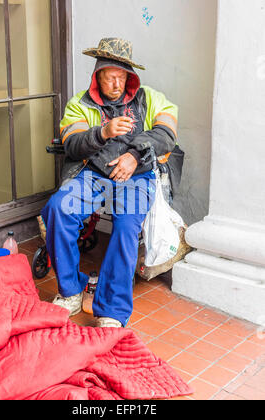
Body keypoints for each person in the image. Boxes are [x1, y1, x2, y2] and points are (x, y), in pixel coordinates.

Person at [41, 38, 184, 328]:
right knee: (59, 208)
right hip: (93, 174)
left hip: (136, 175)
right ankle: (70, 290)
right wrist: (102, 132)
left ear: (130, 78)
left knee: (126, 225)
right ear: (97, 78)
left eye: (122, 78)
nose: (116, 85)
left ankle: (112, 309)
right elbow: (72, 144)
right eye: (109, 78)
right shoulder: (79, 104)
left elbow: (167, 134)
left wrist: (134, 154)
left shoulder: (151, 98)